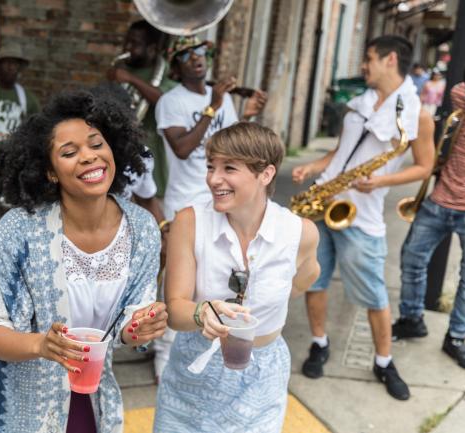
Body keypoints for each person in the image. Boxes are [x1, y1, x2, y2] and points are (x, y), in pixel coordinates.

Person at [0, 90, 168, 433]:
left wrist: (141, 327)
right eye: (69, 152)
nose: (88, 157)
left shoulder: (141, 228)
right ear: (50, 172)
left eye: (97, 144)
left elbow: (129, 324)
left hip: (87, 390)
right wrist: (41, 344)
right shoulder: (19, 229)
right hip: (12, 394)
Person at [292, 35, 435, 401]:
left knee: (373, 294)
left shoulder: (416, 114)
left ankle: (384, 361)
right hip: (324, 203)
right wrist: (313, 165)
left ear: (390, 59)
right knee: (315, 280)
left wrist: (381, 181)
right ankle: (319, 343)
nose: (363, 66)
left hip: (362, 215)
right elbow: (342, 152)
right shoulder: (358, 103)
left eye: (368, 59)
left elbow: (425, 166)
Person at [153, 122, 320, 433]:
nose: (214, 179)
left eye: (229, 168)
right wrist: (201, 312)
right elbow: (175, 309)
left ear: (265, 174)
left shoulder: (300, 233)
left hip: (262, 377)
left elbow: (305, 279)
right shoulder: (189, 222)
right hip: (194, 369)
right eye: (211, 166)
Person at [152, 35, 267, 378]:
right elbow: (184, 148)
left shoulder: (222, 101)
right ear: (175, 66)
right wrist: (213, 107)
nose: (197, 58)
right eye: (186, 54)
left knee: (215, 271)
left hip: (220, 199)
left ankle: (208, 337)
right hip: (184, 201)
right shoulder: (171, 101)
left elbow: (231, 149)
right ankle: (164, 350)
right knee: (175, 281)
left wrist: (244, 115)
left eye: (201, 52)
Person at [393, 64, 465, 370]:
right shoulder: (460, 96)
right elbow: (457, 90)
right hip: (439, 201)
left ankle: (457, 337)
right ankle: (412, 318)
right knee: (411, 259)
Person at [107, 19, 174, 200]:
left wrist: (130, 79)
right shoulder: (121, 68)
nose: (128, 47)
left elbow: (164, 101)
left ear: (152, 48)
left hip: (151, 159)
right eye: (127, 41)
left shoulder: (167, 72)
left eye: (135, 43)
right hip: (120, 158)